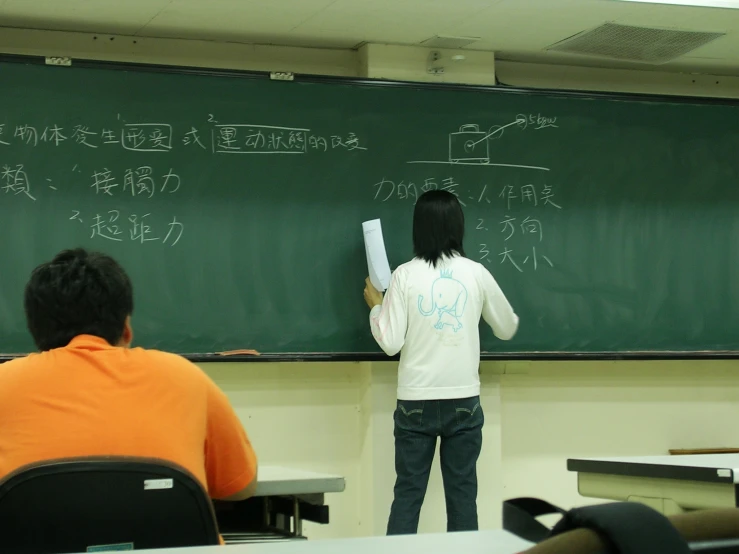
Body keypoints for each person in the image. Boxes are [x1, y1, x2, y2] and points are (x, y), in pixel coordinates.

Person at [0, 248, 258, 502]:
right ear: (126, 328)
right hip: (170, 543)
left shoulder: (5, 382)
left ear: (35, 331)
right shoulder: (184, 376)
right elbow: (239, 487)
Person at [363, 190, 519, 535]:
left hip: (415, 402)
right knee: (463, 498)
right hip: (463, 400)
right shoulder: (475, 273)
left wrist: (377, 305)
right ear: (458, 227)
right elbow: (507, 328)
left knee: (407, 496)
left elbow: (390, 344)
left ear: (418, 228)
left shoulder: (404, 275)